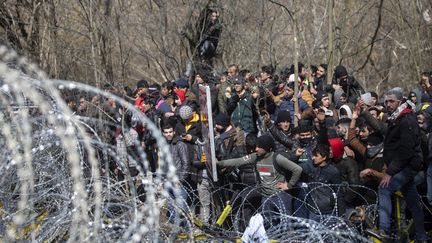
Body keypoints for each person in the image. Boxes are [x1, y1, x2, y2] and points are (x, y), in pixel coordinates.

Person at [366, 88, 428, 242]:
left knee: (384, 188)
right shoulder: (396, 117)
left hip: (407, 166)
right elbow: (384, 130)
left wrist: (390, 172)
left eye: (391, 101)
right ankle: (422, 237)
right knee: (414, 203)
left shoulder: (407, 119)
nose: (388, 104)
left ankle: (384, 230)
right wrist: (364, 113)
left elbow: (406, 151)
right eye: (386, 101)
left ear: (400, 101)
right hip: (403, 165)